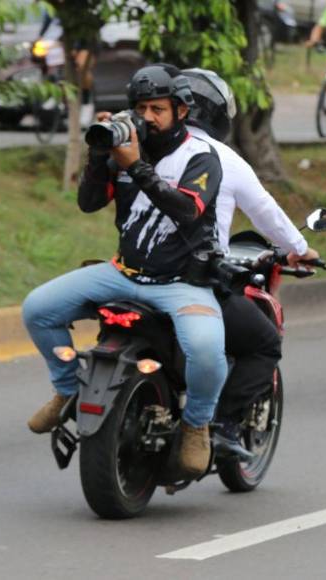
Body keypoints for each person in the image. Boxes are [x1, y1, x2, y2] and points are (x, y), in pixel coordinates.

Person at [22, 64, 226, 477]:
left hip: (182, 283)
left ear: (180, 112)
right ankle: (67, 393)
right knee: (37, 309)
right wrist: (100, 157)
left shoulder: (201, 157)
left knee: (206, 352)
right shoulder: (124, 148)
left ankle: (196, 424)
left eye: (157, 108)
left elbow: (187, 210)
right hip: (124, 272)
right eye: (140, 108)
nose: (147, 117)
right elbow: (89, 203)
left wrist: (135, 166)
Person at [181, 68, 320, 458]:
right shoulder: (222, 158)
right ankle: (221, 426)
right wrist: (299, 246)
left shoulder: (150, 151)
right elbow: (267, 213)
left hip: (132, 273)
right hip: (191, 279)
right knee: (263, 344)